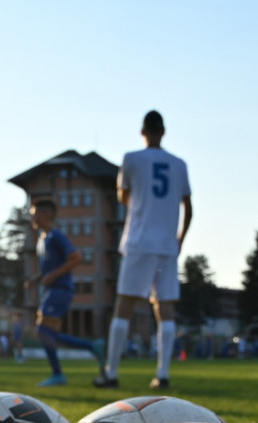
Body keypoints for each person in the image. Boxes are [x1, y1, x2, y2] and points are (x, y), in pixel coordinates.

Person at [95, 110, 192, 390]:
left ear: (143, 131)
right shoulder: (179, 164)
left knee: (124, 306)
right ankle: (162, 373)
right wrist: (179, 239)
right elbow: (189, 207)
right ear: (163, 131)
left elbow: (123, 195)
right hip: (166, 245)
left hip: (139, 241)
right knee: (166, 309)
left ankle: (112, 373)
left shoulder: (132, 159)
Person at [28, 198, 104, 387]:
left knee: (43, 330)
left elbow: (76, 258)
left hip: (60, 289)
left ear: (45, 215)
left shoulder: (56, 236)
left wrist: (53, 276)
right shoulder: (42, 239)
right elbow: (48, 269)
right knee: (48, 332)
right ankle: (92, 347)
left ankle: (59, 373)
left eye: (34, 214)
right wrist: (37, 279)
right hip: (52, 289)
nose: (32, 217)